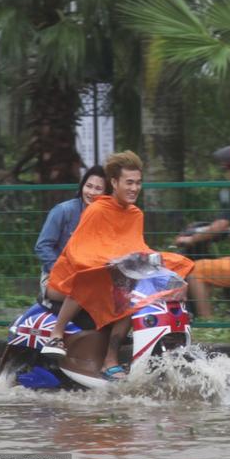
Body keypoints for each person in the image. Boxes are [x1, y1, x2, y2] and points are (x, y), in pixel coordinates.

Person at [41, 150, 193, 380]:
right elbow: (79, 252)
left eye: (138, 183)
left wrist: (174, 277)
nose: (134, 188)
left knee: (133, 293)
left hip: (113, 278)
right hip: (69, 280)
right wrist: (110, 264)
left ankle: (110, 359)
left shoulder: (135, 214)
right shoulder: (96, 210)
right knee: (91, 277)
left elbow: (138, 251)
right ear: (114, 182)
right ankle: (57, 333)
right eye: (129, 182)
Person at [175, 144, 230, 318]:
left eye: (228, 168)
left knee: (195, 270)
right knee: (212, 266)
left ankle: (209, 324)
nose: (227, 173)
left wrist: (190, 240)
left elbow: (219, 226)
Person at [34, 165, 110, 300]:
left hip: (89, 279)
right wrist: (60, 271)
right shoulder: (63, 211)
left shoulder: (106, 217)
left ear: (106, 193)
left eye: (98, 189)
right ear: (82, 186)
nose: (91, 192)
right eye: (89, 186)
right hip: (55, 278)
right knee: (89, 295)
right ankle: (60, 322)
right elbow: (42, 246)